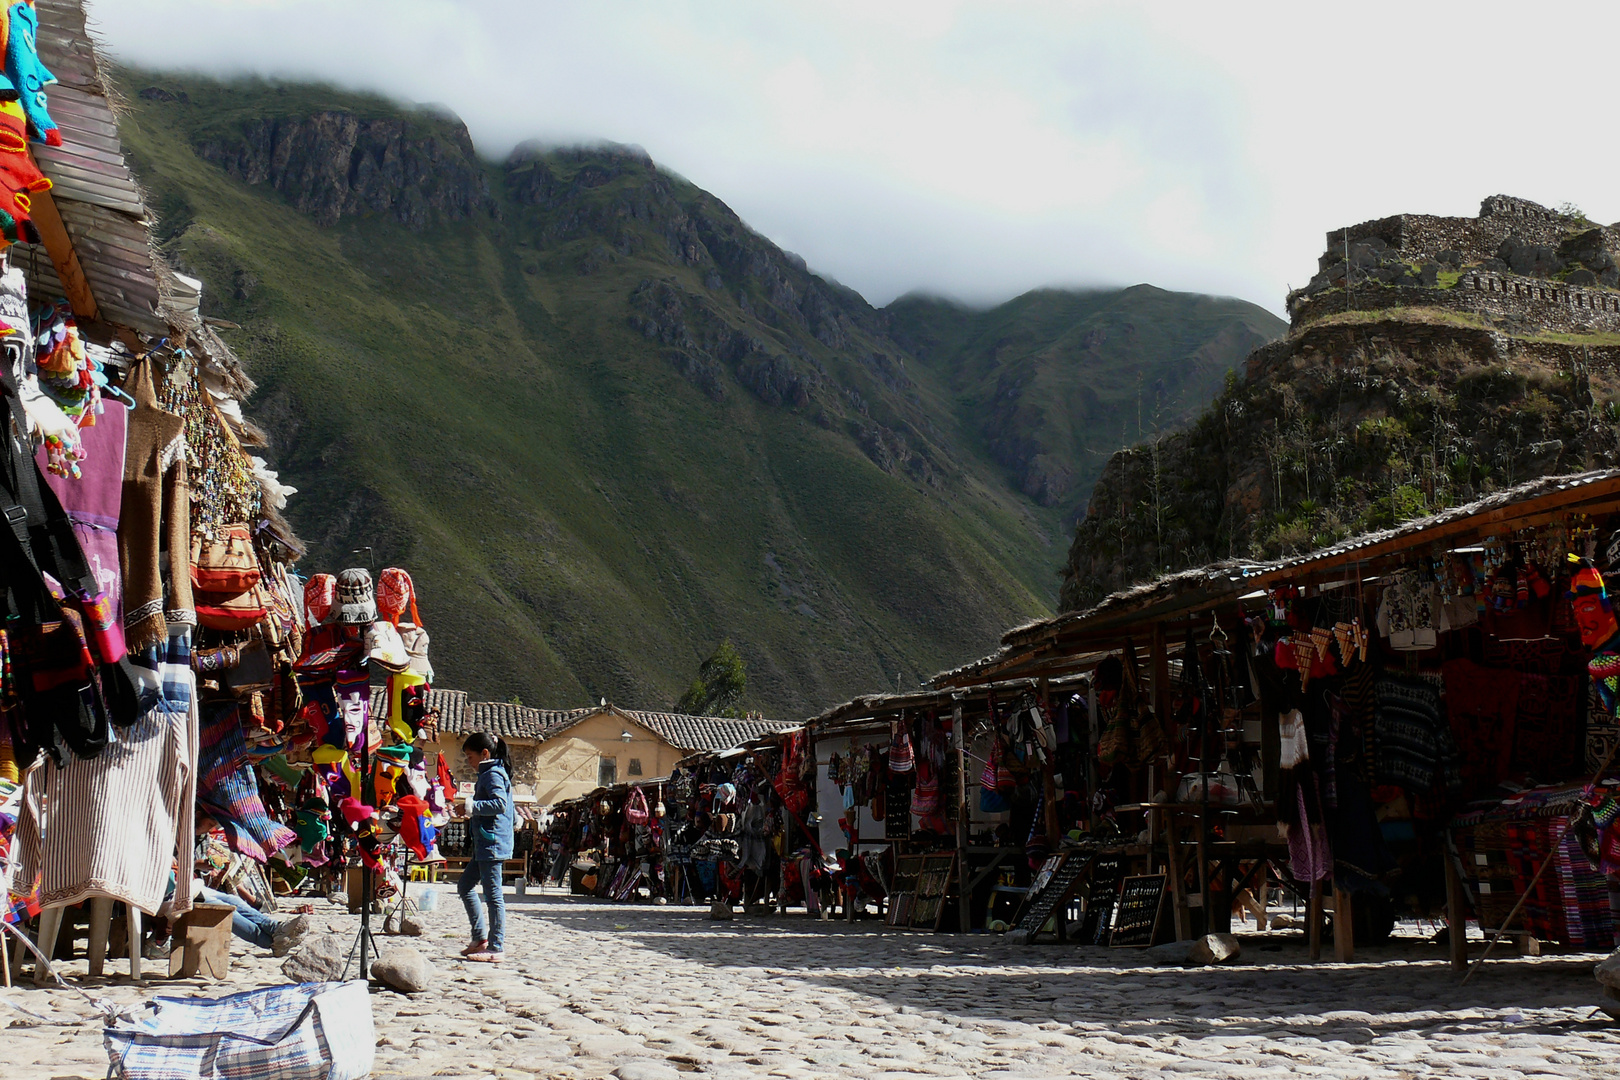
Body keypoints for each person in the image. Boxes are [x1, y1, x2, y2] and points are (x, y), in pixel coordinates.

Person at [457, 732, 514, 963]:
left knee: (493, 896)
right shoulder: (488, 774)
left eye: (470, 757)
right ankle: (480, 937)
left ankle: (496, 946)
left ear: (485, 754)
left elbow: (499, 804)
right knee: (465, 886)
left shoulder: (492, 774)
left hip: (492, 843)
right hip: (485, 843)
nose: (468, 762)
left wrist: (471, 806)